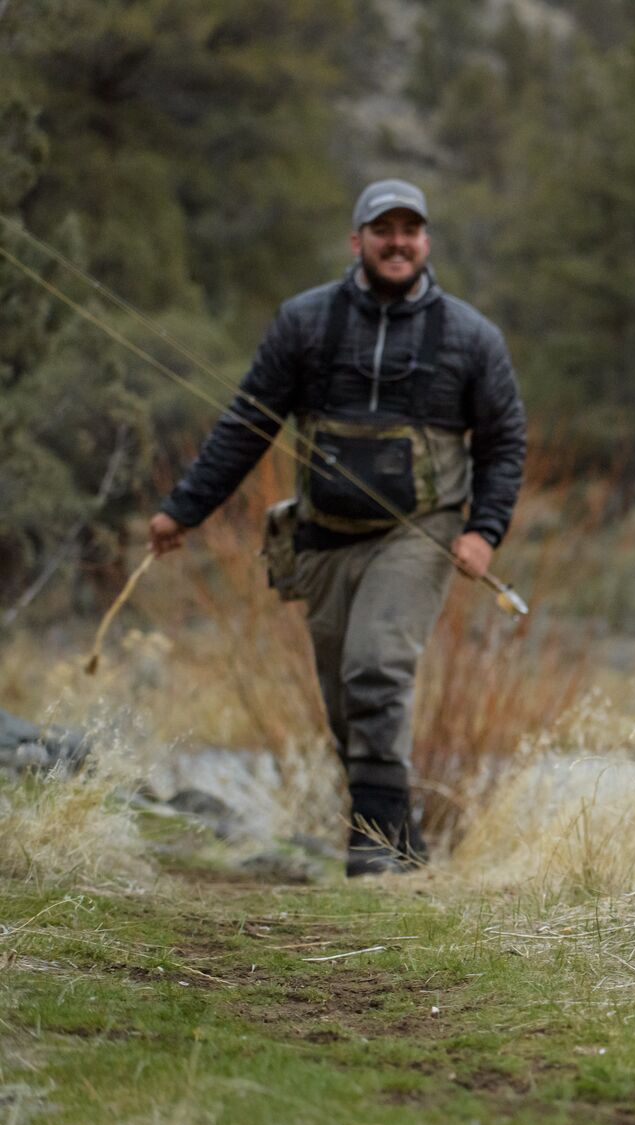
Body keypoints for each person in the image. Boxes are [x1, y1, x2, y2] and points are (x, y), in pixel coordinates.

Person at [148, 179, 527, 876]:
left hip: (421, 531)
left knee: (376, 667)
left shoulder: (472, 337)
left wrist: (484, 530)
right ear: (357, 241)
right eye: (382, 229)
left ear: (426, 243)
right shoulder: (305, 322)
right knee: (344, 699)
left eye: (410, 229)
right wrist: (184, 510)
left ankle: (373, 851)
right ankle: (402, 839)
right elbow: (247, 424)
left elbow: (504, 444)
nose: (397, 241)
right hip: (321, 535)